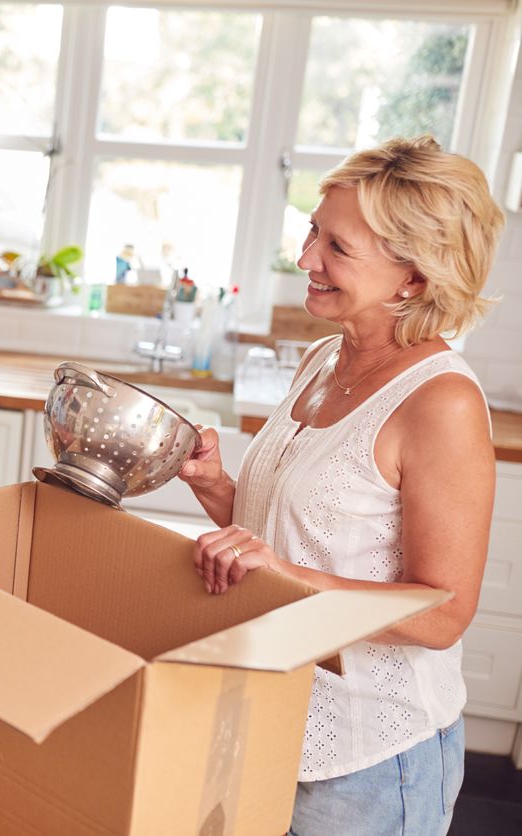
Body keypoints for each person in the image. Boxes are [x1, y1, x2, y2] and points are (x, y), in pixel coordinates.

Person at [178, 135, 500, 835]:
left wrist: (286, 574)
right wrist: (215, 488)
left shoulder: (440, 402)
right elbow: (301, 543)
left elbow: (443, 615)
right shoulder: (328, 356)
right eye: (313, 232)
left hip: (369, 757)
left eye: (337, 249)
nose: (305, 260)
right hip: (272, 716)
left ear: (412, 278)